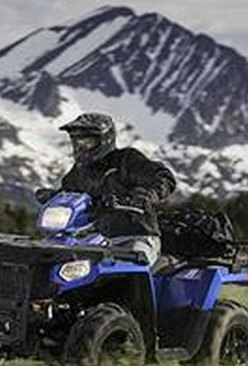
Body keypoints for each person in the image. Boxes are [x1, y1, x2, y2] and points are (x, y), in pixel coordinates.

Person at [36, 112, 176, 265]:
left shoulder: (126, 160)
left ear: (105, 139)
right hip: (95, 238)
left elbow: (163, 177)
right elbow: (68, 192)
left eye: (87, 141)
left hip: (135, 236)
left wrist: (146, 195)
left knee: (131, 265)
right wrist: (53, 196)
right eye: (76, 141)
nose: (80, 146)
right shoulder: (79, 172)